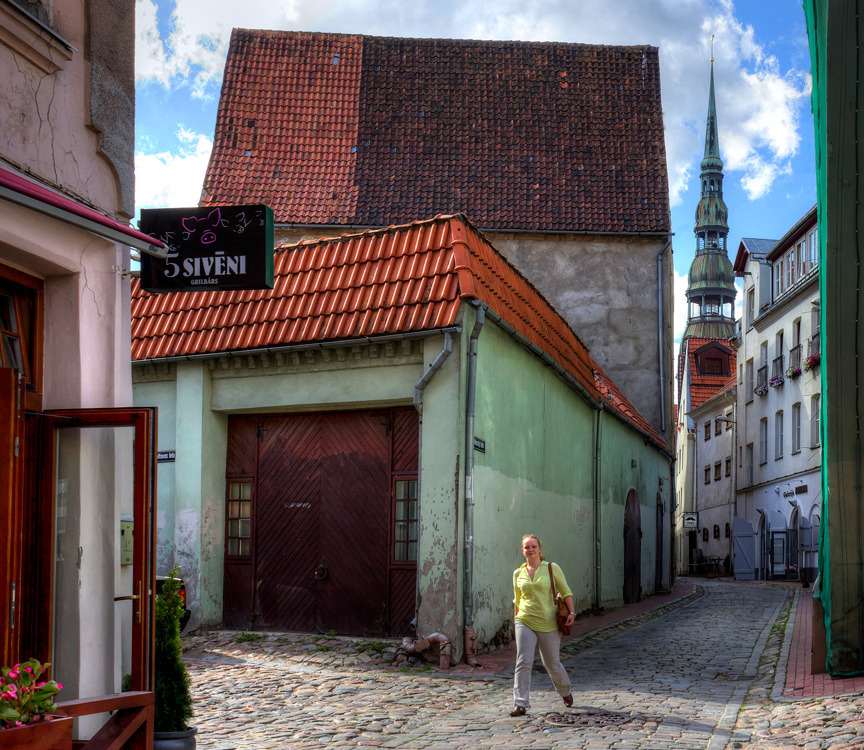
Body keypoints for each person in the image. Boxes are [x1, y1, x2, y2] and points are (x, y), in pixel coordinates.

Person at [510, 533, 575, 717]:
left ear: (539, 549)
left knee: (552, 664)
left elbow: (566, 591)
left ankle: (565, 691)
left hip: (549, 623)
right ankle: (520, 703)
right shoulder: (518, 573)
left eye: (533, 547)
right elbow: (517, 599)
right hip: (525, 620)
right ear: (522, 551)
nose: (530, 550)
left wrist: (571, 612)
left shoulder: (551, 568)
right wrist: (516, 621)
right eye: (527, 547)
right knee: (523, 661)